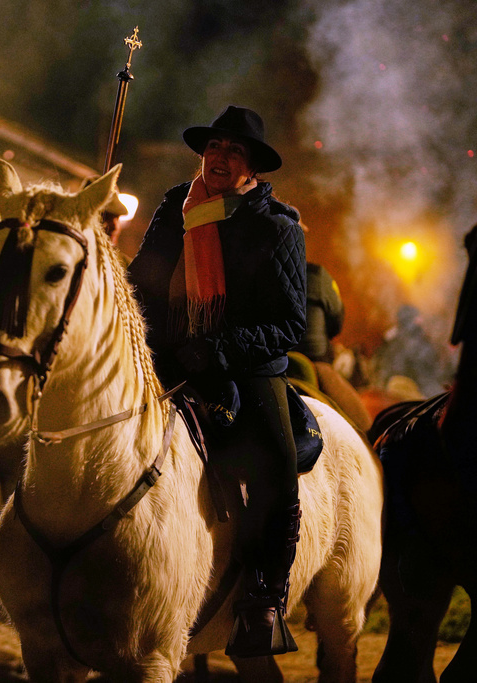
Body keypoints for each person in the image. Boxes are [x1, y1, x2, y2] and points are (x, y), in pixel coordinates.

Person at [127, 105, 306, 658]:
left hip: (244, 365)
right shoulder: (174, 208)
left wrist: (221, 347)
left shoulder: (279, 228)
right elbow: (143, 281)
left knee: (278, 469)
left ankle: (263, 599)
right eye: (213, 147)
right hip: (172, 354)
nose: (218, 157)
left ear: (250, 165)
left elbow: (290, 323)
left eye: (232, 151)